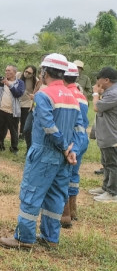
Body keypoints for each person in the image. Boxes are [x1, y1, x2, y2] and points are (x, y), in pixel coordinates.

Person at [0, 53, 83, 250]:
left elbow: (48, 126)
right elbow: (80, 129)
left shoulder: (44, 95)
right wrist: (73, 150)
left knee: (31, 194)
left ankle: (24, 238)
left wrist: (63, 147)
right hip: (63, 158)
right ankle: (50, 239)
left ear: (44, 72)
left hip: (45, 153)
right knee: (55, 196)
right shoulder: (73, 95)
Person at [61, 62, 89, 226]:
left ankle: (65, 215)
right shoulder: (81, 95)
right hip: (82, 139)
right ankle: (73, 209)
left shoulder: (65, 95)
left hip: (71, 140)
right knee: (74, 175)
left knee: (63, 175)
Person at [89, 66, 117, 203]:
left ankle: (113, 193)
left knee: (112, 164)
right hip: (107, 134)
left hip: (112, 135)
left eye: (99, 79)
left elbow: (96, 107)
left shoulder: (114, 93)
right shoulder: (109, 92)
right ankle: (106, 188)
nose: (97, 82)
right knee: (106, 162)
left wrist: (95, 94)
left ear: (106, 80)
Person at [0, 65, 25, 153]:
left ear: (14, 72)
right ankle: (0, 144)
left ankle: (14, 148)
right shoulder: (1, 81)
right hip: (1, 109)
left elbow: (18, 94)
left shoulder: (20, 83)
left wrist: (8, 84)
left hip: (13, 111)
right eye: (6, 70)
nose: (7, 72)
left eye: (9, 71)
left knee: (13, 130)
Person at [18, 65, 38, 137]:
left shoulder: (36, 80)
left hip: (27, 102)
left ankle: (22, 134)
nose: (27, 73)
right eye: (26, 71)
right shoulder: (18, 75)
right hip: (17, 100)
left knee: (24, 119)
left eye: (29, 73)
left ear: (33, 74)